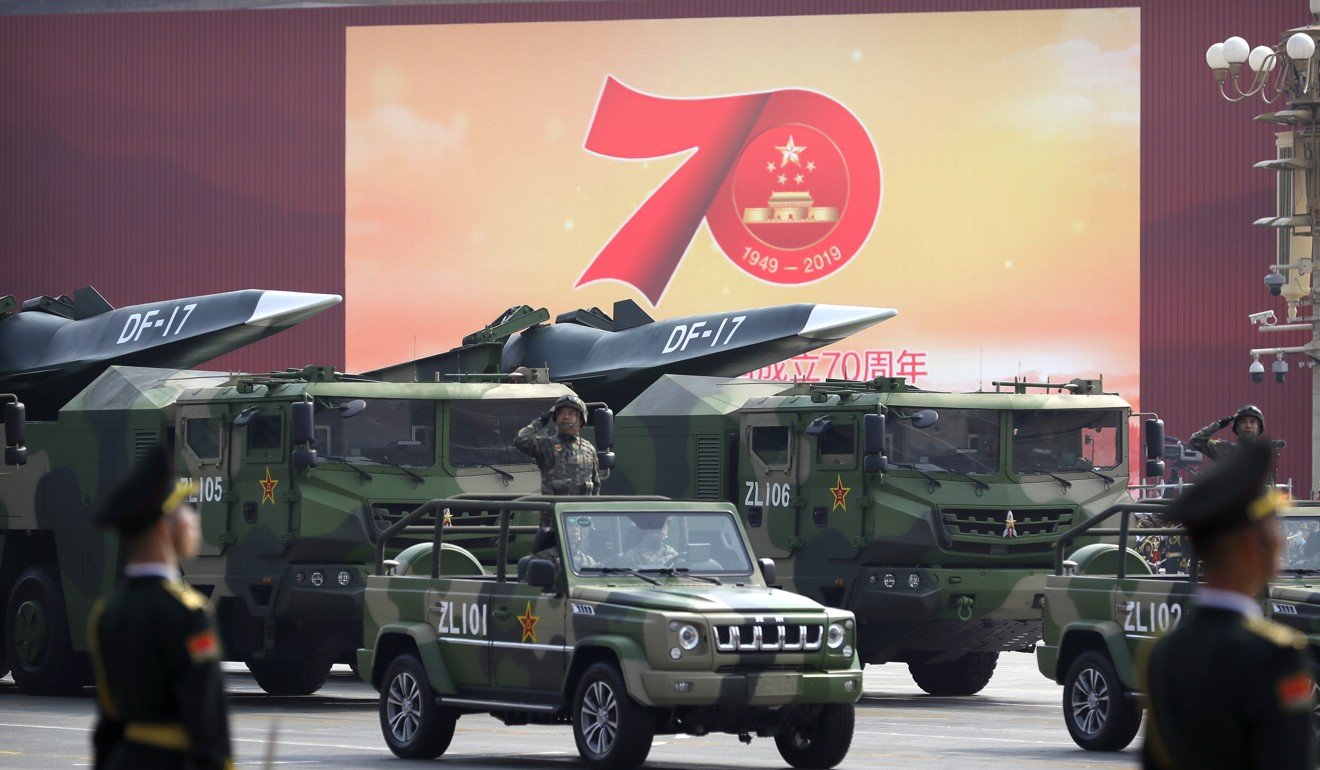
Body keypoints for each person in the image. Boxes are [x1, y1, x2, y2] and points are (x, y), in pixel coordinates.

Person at [1141, 441, 1314, 770]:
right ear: (1252, 542)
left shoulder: (1164, 653)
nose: (1280, 539)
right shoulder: (1275, 656)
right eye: (1273, 525)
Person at [88, 446, 234, 770]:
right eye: (186, 509)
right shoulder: (188, 613)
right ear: (163, 527)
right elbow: (207, 723)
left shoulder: (108, 613)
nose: (194, 519)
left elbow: (107, 725)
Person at [513, 394, 600, 497]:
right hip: (554, 511)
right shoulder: (546, 446)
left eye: (570, 413)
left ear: (581, 420)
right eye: (561, 413)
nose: (565, 417)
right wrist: (540, 422)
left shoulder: (589, 449)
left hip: (582, 511)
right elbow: (520, 440)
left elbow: (596, 485)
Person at [1189, 404, 1265, 462]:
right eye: (1243, 421)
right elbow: (1196, 440)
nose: (1248, 425)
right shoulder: (1225, 450)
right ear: (1237, 428)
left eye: (1252, 422)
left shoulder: (1264, 454)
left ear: (1259, 428)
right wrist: (1220, 424)